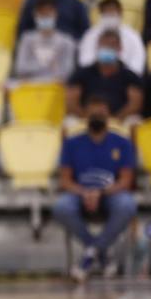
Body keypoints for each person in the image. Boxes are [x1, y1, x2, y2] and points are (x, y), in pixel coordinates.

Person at [52, 95, 137, 282]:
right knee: (61, 207)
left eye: (101, 111)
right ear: (85, 114)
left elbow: (126, 180)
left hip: (110, 194)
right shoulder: (72, 143)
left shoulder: (122, 143)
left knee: (127, 205)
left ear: (108, 114)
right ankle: (102, 254)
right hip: (79, 193)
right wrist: (84, 192)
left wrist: (101, 192)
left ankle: (89, 255)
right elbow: (65, 180)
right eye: (93, 111)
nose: (97, 115)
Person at [66, 29, 143, 123]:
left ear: (120, 48)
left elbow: (135, 104)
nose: (107, 48)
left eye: (111, 45)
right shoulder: (82, 74)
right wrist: (87, 118)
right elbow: (71, 102)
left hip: (119, 121)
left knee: (135, 121)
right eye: (104, 45)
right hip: (86, 119)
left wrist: (116, 120)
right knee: (69, 121)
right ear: (97, 47)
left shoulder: (130, 76)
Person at [13, 0, 78, 82]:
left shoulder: (67, 41)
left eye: (48, 13)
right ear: (35, 15)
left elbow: (67, 72)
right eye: (42, 13)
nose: (45, 16)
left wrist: (34, 68)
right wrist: (48, 65)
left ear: (55, 13)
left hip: (55, 88)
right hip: (30, 88)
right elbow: (20, 69)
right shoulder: (27, 39)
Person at [78, 0, 146, 74]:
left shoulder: (133, 36)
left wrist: (127, 78)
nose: (109, 14)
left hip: (125, 79)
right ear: (100, 13)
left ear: (120, 12)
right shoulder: (90, 35)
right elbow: (85, 60)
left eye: (112, 11)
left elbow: (137, 62)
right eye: (106, 12)